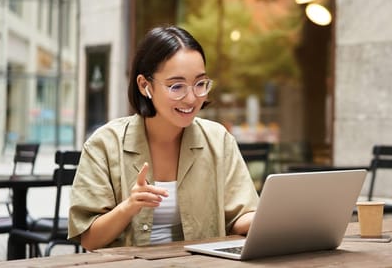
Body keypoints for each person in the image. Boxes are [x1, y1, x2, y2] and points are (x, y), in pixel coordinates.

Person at [68, 26, 258, 250]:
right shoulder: (105, 144)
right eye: (176, 86)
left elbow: (240, 219)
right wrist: (129, 206)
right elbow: (90, 239)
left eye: (200, 84)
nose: (190, 98)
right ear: (144, 85)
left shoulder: (218, 140)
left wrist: (275, 218)